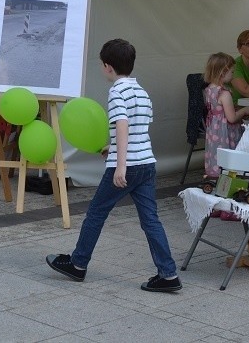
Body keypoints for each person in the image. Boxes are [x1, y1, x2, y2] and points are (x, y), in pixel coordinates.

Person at [46, 39, 182, 292]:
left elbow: (122, 124)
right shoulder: (141, 90)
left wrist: (120, 165)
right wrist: (114, 148)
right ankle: (168, 274)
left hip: (128, 165)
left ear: (108, 66)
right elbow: (139, 128)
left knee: (96, 212)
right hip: (146, 163)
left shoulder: (117, 91)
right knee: (151, 220)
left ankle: (78, 264)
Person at [203, 52, 249, 221]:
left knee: (217, 169)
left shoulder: (209, 90)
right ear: (223, 72)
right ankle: (228, 209)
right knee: (230, 170)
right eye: (231, 71)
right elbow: (231, 118)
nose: (233, 75)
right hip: (226, 136)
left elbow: (218, 111)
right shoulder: (225, 93)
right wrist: (244, 111)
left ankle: (216, 206)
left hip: (214, 135)